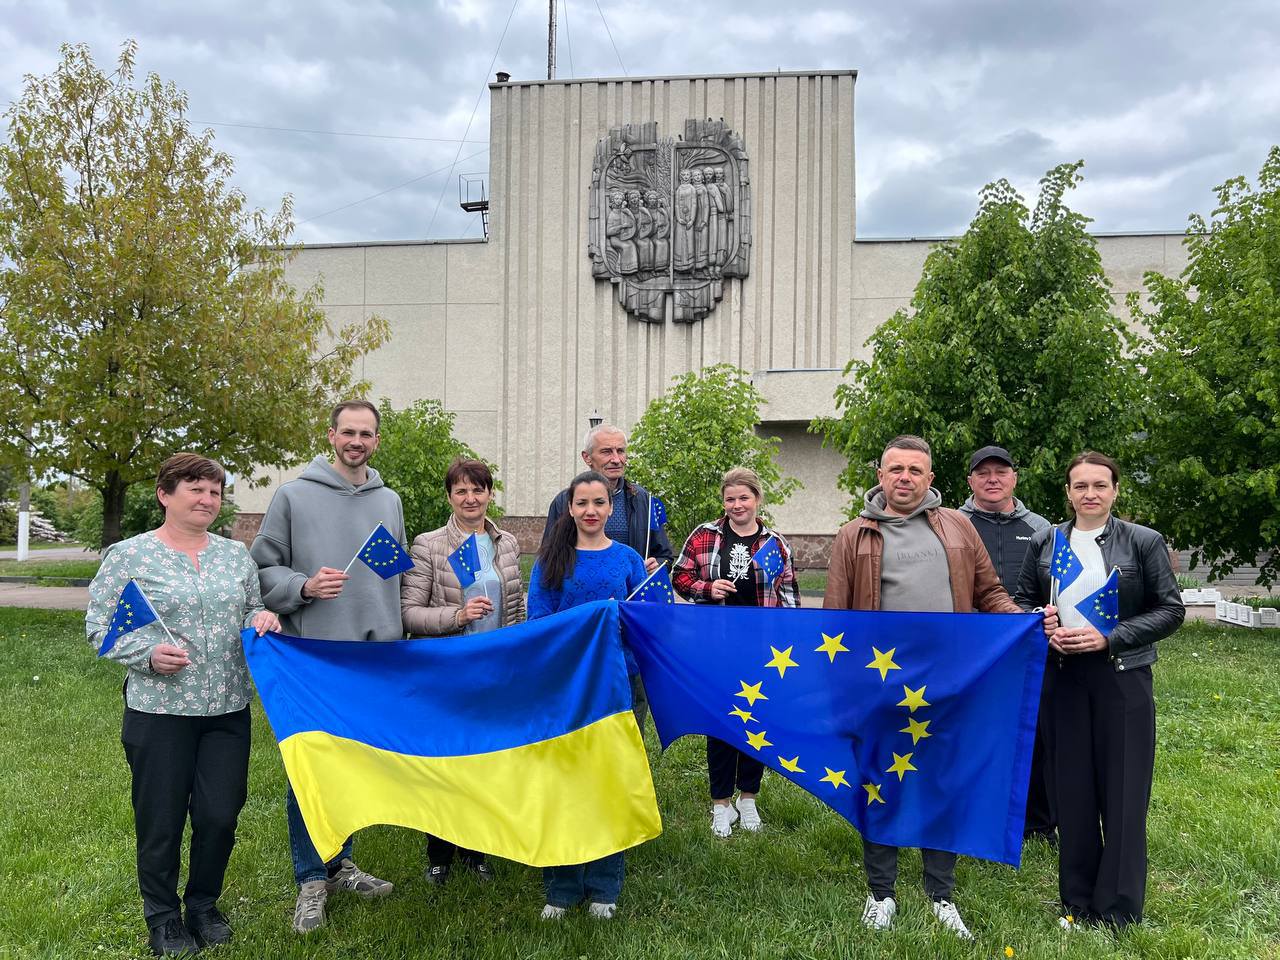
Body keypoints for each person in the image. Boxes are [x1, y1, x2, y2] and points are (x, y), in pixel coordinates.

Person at [823, 435, 1058, 941]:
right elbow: (836, 619)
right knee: (879, 783)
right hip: (878, 685)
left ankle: (941, 895)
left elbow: (989, 592)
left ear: (930, 479)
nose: (905, 478)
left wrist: (1024, 621)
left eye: (915, 470)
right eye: (896, 469)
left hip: (949, 681)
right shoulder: (852, 535)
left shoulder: (957, 526)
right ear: (880, 476)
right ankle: (881, 893)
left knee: (942, 782)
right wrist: (843, 689)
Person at [86, 454, 280, 957]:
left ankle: (203, 905)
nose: (207, 500)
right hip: (160, 713)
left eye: (215, 491)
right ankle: (164, 918)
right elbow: (100, 629)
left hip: (226, 711)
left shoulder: (235, 555)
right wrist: (147, 654)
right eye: (195, 489)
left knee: (220, 815)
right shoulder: (129, 556)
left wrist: (262, 619)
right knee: (162, 820)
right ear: (164, 494)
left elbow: (251, 607)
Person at [251, 399, 403, 934]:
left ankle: (342, 865)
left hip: (371, 659)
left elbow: (393, 578)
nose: (356, 441)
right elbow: (262, 569)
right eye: (348, 432)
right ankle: (311, 878)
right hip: (313, 656)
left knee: (352, 766)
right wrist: (304, 586)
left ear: (376, 441)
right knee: (311, 768)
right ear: (331, 436)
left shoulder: (389, 501)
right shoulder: (293, 496)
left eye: (366, 434)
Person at [1014, 451, 1183, 931]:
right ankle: (1077, 901)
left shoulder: (1143, 541)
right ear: (1068, 492)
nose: (1090, 494)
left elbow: (1170, 610)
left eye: (1100, 485)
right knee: (1073, 792)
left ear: (1115, 490)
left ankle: (1119, 908)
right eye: (1080, 486)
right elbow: (1023, 600)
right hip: (1062, 677)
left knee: (1124, 791)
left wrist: (1112, 637)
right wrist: (1038, 621)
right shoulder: (1046, 541)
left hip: (1122, 678)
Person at [529, 470, 649, 921]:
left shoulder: (628, 559)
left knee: (607, 784)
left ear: (610, 508)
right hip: (565, 687)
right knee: (564, 784)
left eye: (599, 502)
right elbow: (539, 621)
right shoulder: (551, 558)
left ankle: (604, 886)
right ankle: (561, 888)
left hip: (615, 687)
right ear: (570, 507)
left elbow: (645, 622)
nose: (591, 511)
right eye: (582, 503)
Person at [401, 457, 526, 886]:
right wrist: (457, 615)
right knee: (444, 764)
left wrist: (517, 655)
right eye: (461, 491)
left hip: (493, 670)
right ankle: (439, 854)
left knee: (484, 761)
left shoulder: (507, 543)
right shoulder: (429, 545)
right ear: (450, 496)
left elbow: (517, 608)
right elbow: (408, 613)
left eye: (478, 489)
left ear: (490, 493)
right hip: (446, 671)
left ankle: (477, 850)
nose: (470, 498)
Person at [672, 467, 799, 838]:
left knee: (756, 721)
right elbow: (680, 575)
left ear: (757, 499)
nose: (737, 505)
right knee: (721, 723)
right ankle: (720, 804)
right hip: (716, 647)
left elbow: (789, 595)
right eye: (730, 499)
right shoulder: (705, 536)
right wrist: (707, 588)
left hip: (762, 650)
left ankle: (748, 797)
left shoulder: (775, 544)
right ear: (723, 501)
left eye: (744, 498)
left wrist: (790, 639)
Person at [543, 423, 672, 731]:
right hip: (578, 639)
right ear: (587, 457)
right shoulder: (563, 501)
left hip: (625, 638)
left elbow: (665, 554)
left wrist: (656, 566)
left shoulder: (644, 501)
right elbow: (550, 563)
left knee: (626, 722)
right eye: (607, 451)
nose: (616, 458)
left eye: (621, 451)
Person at [957, 445, 1055, 843]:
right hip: (970, 648)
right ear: (970, 481)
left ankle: (1039, 822)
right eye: (983, 473)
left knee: (1035, 732)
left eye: (1001, 472)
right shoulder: (952, 524)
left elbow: (1054, 587)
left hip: (1029, 645)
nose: (992, 479)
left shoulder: (1042, 528)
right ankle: (976, 815)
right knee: (975, 733)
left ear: (1015, 478)